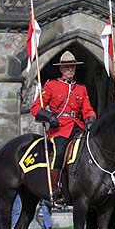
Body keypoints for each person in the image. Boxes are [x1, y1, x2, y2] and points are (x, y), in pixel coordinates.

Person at [30, 51, 96, 205]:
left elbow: (87, 109)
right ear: (61, 69)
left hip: (77, 127)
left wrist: (91, 119)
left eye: (72, 66)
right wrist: (48, 116)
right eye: (67, 67)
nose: (70, 69)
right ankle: (54, 189)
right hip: (59, 128)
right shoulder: (51, 85)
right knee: (60, 151)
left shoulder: (81, 88)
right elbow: (36, 107)